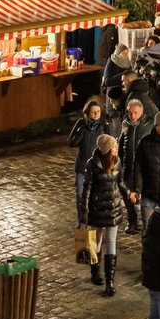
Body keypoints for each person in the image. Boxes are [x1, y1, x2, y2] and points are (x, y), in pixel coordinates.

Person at [82, 132, 131, 296]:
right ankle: (94, 272)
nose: (117, 148)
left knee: (111, 243)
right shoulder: (92, 164)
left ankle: (110, 282)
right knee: (93, 242)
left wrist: (129, 195)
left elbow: (121, 183)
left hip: (113, 208)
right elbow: (86, 188)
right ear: (107, 149)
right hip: (97, 209)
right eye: (114, 146)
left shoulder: (117, 162)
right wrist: (84, 212)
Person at [68, 95, 110, 224]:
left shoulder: (104, 126)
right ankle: (82, 219)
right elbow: (71, 142)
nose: (96, 114)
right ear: (88, 113)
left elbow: (110, 145)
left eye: (97, 111)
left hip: (98, 167)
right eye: (93, 112)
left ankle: (94, 218)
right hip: (82, 166)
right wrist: (81, 132)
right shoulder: (81, 123)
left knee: (95, 195)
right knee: (80, 194)